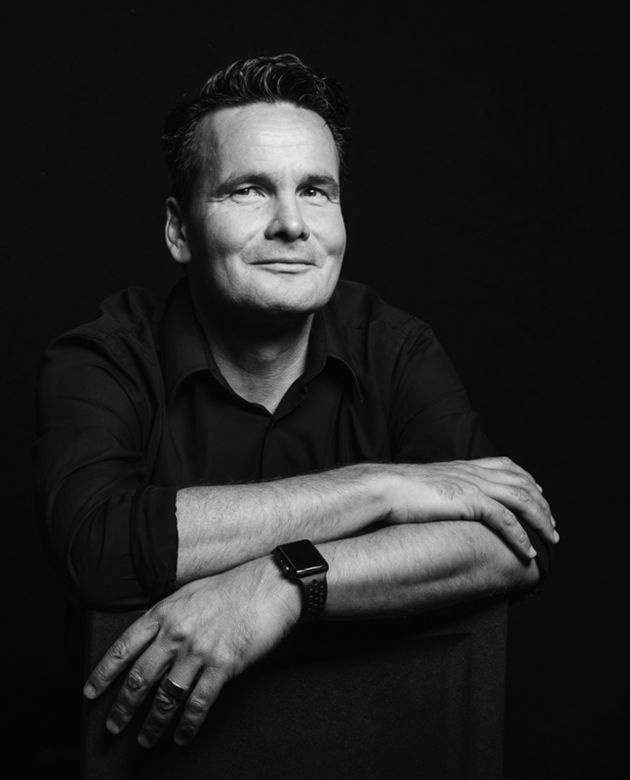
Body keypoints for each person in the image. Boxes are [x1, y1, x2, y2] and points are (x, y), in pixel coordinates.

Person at [34, 53, 558, 751]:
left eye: (315, 190)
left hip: (375, 748)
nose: (292, 223)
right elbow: (99, 545)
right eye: (249, 190)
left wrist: (286, 581)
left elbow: (512, 542)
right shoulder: (103, 357)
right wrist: (379, 488)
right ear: (179, 230)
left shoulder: (394, 346)